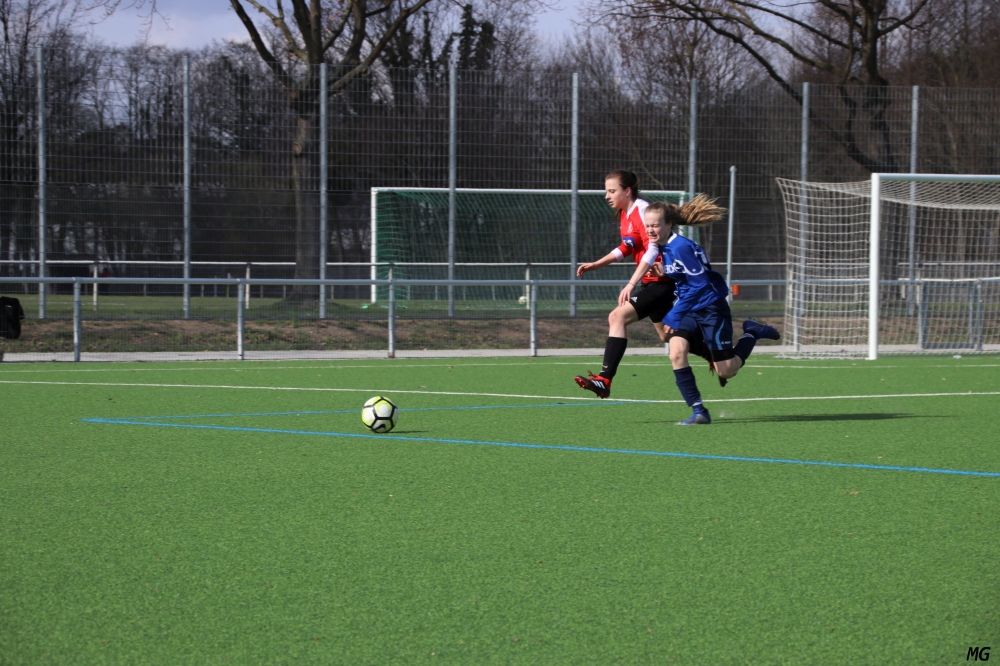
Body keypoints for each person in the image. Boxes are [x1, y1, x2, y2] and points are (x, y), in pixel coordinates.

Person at [618, 196, 780, 425]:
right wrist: (662, 272)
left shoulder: (680, 247)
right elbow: (680, 272)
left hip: (711, 308)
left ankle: (752, 332)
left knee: (727, 371)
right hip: (690, 309)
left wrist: (674, 314)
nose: (650, 230)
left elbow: (701, 284)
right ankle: (699, 411)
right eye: (648, 226)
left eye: (655, 225)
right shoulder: (663, 247)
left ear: (669, 225)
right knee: (676, 351)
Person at [573, 171, 682, 399]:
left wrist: (631, 283)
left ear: (627, 191)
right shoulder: (625, 215)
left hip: (663, 282)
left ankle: (604, 379)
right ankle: (716, 351)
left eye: (612, 191)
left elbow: (653, 248)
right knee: (667, 335)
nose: (607, 196)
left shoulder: (642, 209)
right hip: (651, 282)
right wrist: (597, 264)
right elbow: (626, 247)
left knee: (617, 317)